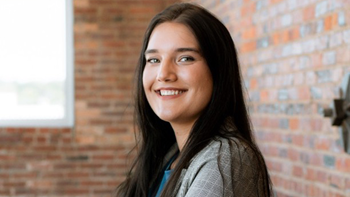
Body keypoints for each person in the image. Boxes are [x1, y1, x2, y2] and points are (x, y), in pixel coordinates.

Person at [114, 2, 273, 197]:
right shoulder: (170, 154)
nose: (163, 74)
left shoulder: (223, 158)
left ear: (218, 71)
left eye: (185, 58)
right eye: (154, 60)